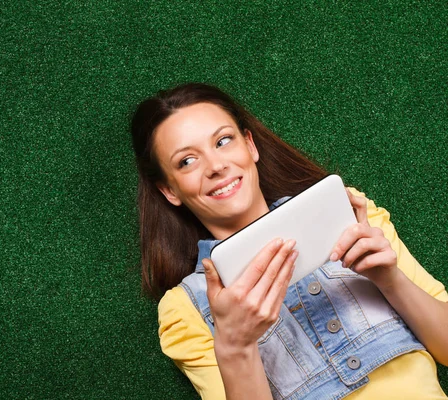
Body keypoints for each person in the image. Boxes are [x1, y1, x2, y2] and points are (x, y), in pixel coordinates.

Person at [130, 83, 448, 400]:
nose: (215, 166)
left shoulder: (350, 212)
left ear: (250, 146)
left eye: (223, 141)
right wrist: (235, 346)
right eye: (187, 161)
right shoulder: (184, 309)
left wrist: (390, 279)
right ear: (169, 190)